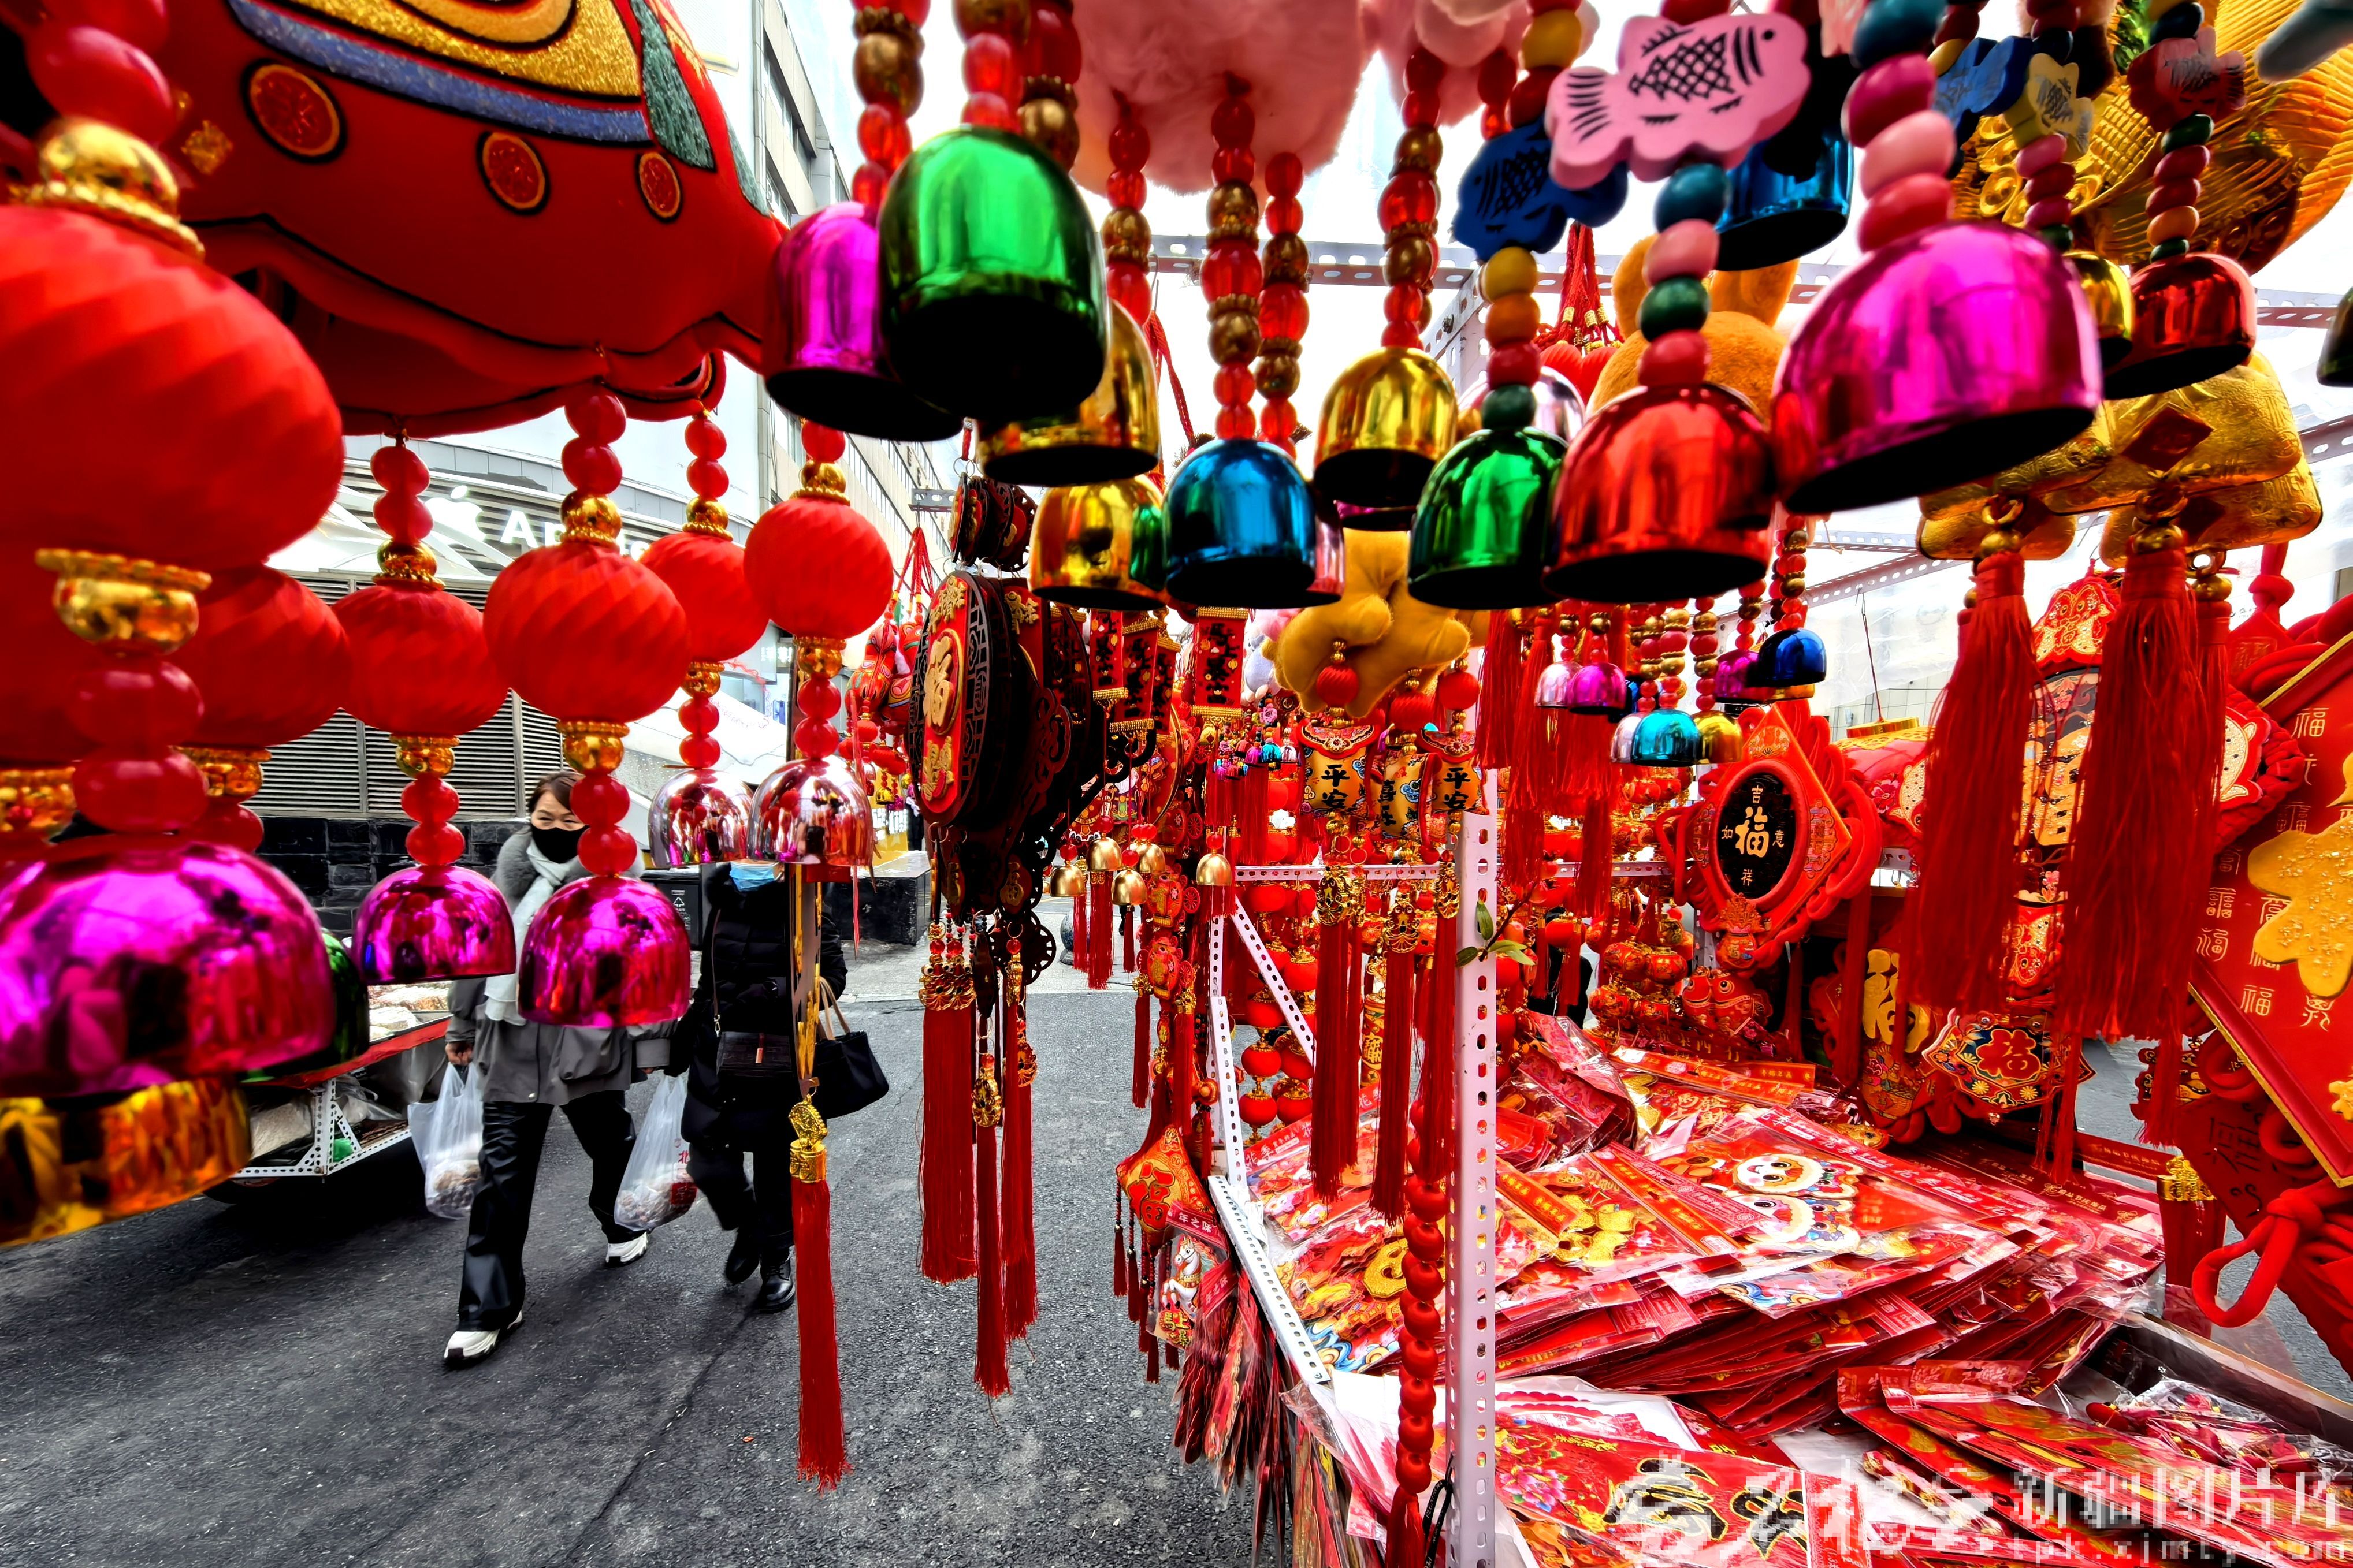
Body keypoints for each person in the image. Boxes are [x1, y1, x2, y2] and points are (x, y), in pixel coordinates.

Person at [439, 772, 668, 1368]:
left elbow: (644, 968)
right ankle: (487, 1307)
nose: (556, 831)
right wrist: (461, 1025)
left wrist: (650, 1047)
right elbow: (478, 950)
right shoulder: (508, 878)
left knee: (609, 1140)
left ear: (595, 825)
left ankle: (621, 1223)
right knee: (501, 1172)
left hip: (585, 1041)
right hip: (511, 1038)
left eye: (570, 822)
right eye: (545, 820)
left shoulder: (618, 882)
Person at [674, 863, 846, 1312]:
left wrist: (773, 990)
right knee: (707, 1157)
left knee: (773, 1162)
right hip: (716, 1047)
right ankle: (749, 1225)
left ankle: (775, 1256)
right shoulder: (721, 899)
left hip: (775, 1049)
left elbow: (832, 978)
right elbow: (708, 978)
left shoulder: (807, 903)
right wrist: (686, 1031)